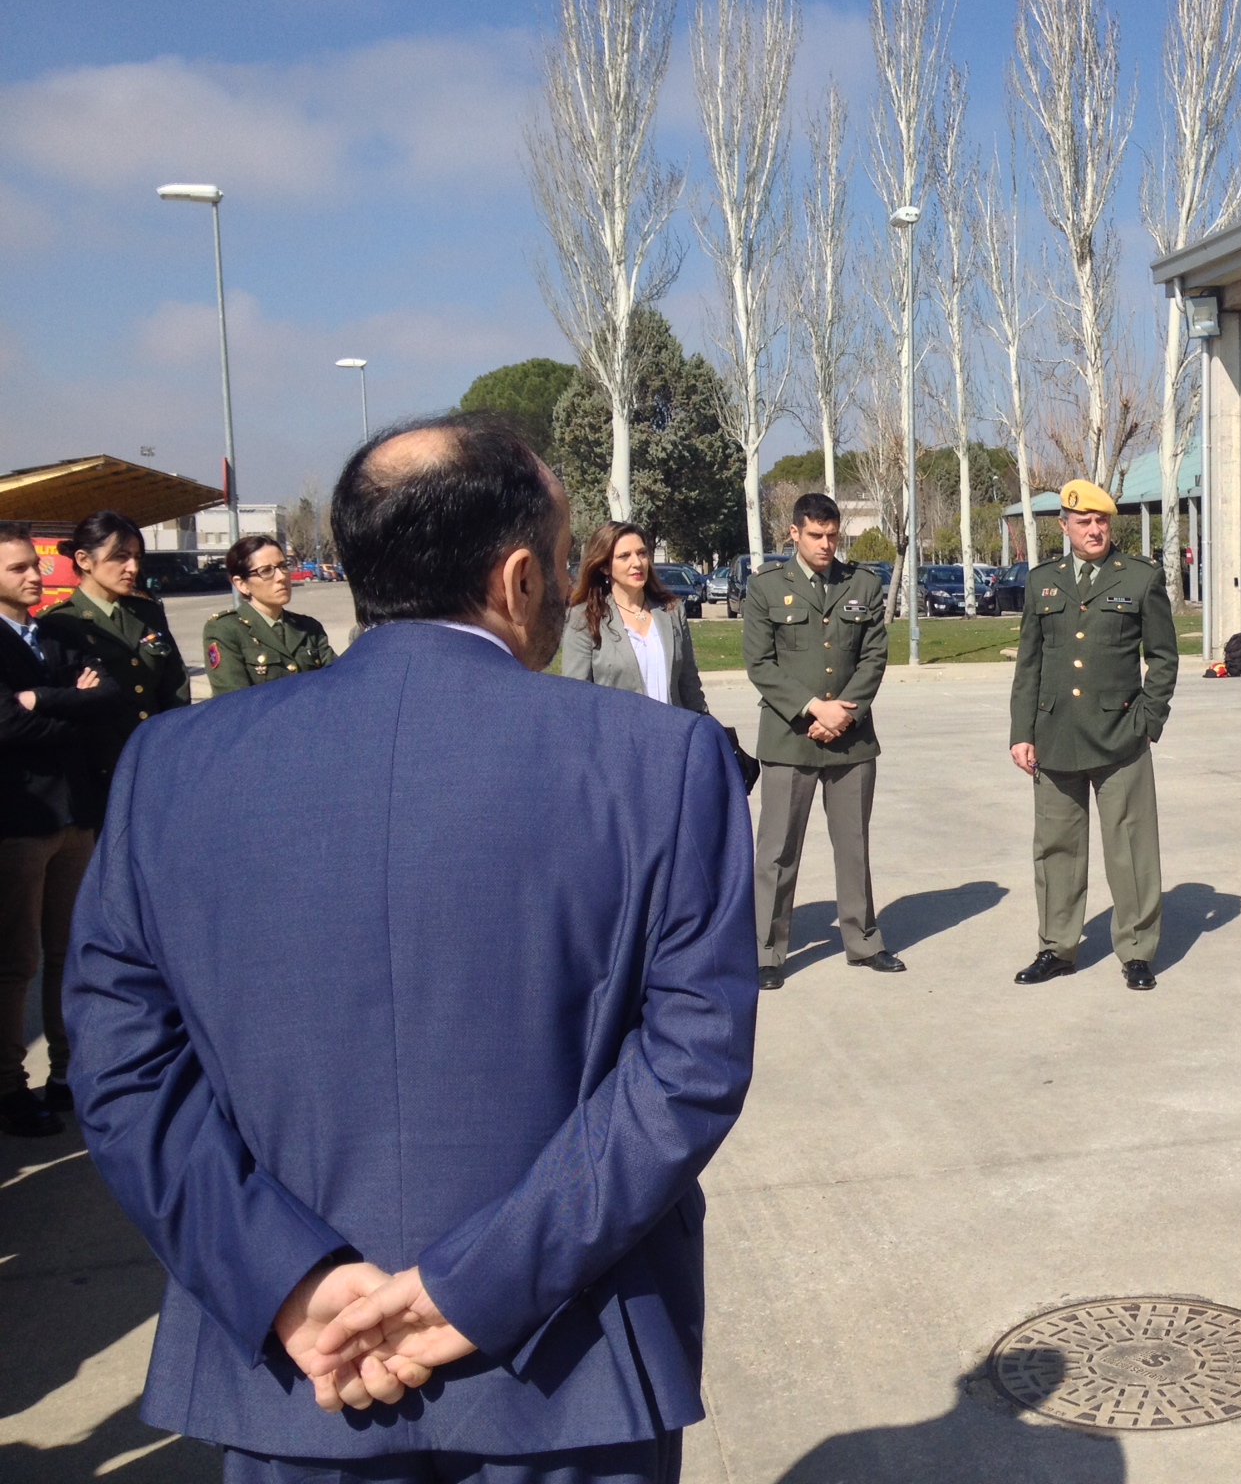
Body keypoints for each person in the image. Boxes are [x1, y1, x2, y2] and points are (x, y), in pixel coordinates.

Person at [65, 412, 757, 1483]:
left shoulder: (172, 764)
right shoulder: (660, 763)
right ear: (521, 577)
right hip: (565, 1364)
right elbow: (688, 1067)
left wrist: (287, 1282)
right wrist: (466, 1291)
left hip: (301, 1371)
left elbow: (119, 1064)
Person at [1009, 479, 1179, 992]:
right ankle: (1057, 947)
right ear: (1064, 526)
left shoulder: (1141, 578)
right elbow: (1029, 663)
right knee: (1057, 848)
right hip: (1055, 734)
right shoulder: (1043, 582)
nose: (1094, 529)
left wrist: (1148, 720)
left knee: (1131, 847)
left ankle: (1136, 950)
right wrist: (1022, 732)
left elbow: (1164, 659)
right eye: (1083, 521)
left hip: (1120, 735)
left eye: (1102, 520)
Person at [743, 492, 902, 989]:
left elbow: (874, 658)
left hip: (850, 741)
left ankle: (864, 942)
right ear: (794, 533)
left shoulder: (863, 584)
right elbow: (760, 664)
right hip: (791, 738)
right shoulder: (766, 587)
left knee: (854, 845)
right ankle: (766, 951)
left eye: (833, 535)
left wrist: (842, 716)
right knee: (776, 850)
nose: (826, 544)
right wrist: (815, 708)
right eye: (816, 535)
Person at [0, 522, 117, 1136]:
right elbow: (4, 728)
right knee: (14, 961)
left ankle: (68, 1075)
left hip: (76, 817)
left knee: (68, 955)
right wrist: (68, 702)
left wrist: (40, 700)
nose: (34, 575)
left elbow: (109, 700)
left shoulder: (54, 635)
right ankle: (9, 1087)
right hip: (20, 828)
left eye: (34, 565)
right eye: (19, 567)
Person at [39, 511, 189, 800]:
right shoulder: (61, 623)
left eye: (136, 557)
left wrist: (171, 742)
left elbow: (175, 684)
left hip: (156, 757)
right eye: (120, 557)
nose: (132, 567)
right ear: (84, 560)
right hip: (101, 770)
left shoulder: (146, 612)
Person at [562, 521, 710, 714]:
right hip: (618, 740)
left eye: (641, 553)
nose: (637, 563)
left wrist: (707, 728)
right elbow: (575, 698)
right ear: (605, 567)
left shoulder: (672, 611)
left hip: (673, 738)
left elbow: (689, 685)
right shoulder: (585, 618)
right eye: (624, 556)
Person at [202, 535, 337, 693]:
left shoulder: (308, 628)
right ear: (242, 584)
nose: (281, 577)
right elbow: (233, 702)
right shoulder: (226, 630)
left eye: (283, 566)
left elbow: (335, 681)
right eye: (266, 571)